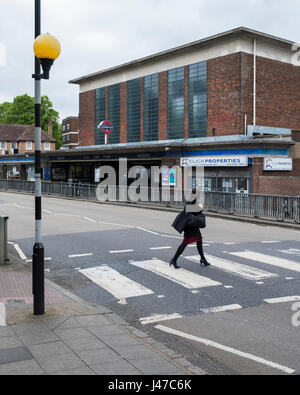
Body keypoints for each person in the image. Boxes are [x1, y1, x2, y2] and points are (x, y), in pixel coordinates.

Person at [170, 194, 210, 269]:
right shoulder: (192, 202)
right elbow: (197, 211)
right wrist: (200, 206)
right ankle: (174, 259)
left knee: (199, 239)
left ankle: (203, 258)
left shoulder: (190, 201)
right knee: (185, 242)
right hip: (190, 226)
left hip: (191, 225)